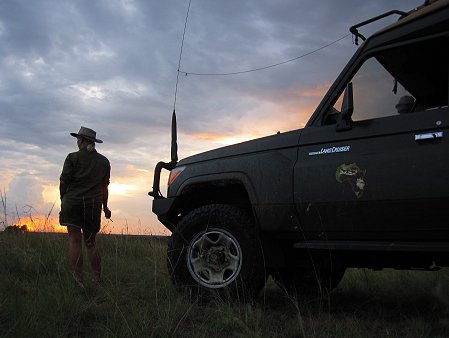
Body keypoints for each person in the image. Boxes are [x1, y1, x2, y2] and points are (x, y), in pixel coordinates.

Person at [59, 126, 111, 286]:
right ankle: (97, 279)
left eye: (77, 139)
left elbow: (63, 182)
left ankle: (78, 279)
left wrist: (63, 198)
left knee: (75, 241)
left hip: (72, 203)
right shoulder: (104, 162)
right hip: (93, 206)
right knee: (90, 243)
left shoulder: (72, 158)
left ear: (81, 140)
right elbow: (104, 188)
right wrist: (105, 207)